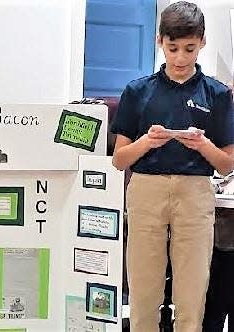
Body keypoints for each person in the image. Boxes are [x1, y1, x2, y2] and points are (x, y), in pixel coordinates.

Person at [110, 2, 234, 332]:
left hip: (195, 193)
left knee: (192, 293)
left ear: (202, 43)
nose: (180, 58)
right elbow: (120, 159)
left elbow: (227, 164)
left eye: (189, 49)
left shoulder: (218, 94)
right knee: (143, 292)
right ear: (160, 42)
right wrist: (147, 142)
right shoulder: (137, 91)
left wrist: (202, 144)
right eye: (173, 48)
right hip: (146, 189)